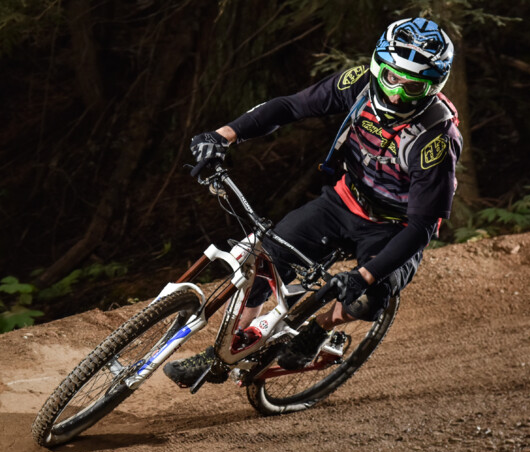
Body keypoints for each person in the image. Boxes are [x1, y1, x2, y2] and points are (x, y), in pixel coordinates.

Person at [164, 17, 463, 387]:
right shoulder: (358, 84)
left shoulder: (437, 138)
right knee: (265, 262)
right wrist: (223, 136)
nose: (398, 94)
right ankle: (224, 352)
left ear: (434, 87)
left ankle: (318, 329)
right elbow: (290, 107)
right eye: (391, 78)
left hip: (395, 228)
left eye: (413, 86)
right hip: (344, 201)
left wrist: (364, 276)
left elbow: (422, 227)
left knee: (366, 298)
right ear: (377, 67)